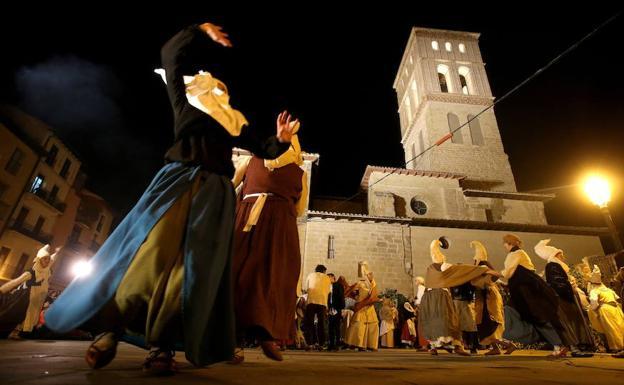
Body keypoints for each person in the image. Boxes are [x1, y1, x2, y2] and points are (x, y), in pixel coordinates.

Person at [45, 22, 295, 375]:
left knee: (193, 271)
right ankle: (109, 332)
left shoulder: (234, 123)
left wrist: (280, 140)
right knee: (150, 255)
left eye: (222, 89)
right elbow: (170, 56)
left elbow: (263, 147)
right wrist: (199, 29)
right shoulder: (186, 107)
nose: (218, 91)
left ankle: (162, 348)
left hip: (215, 195)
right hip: (179, 180)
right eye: (213, 87)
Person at [230, 121, 307, 363]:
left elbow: (300, 208)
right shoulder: (250, 160)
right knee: (239, 275)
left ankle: (267, 335)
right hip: (249, 219)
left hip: (279, 226)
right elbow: (230, 185)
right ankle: (233, 341)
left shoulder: (299, 174)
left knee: (275, 278)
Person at [420, 237, 490, 356]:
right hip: (439, 297)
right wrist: (480, 269)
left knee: (439, 321)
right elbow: (460, 270)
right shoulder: (443, 266)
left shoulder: (430, 268)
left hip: (430, 298)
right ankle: (453, 346)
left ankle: (442, 346)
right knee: (447, 321)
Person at [500, 234, 567, 358]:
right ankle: (514, 340)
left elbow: (508, 272)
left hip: (526, 293)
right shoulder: (518, 254)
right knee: (511, 312)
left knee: (537, 317)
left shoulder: (517, 254)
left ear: (509, 243)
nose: (504, 245)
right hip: (520, 292)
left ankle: (558, 345)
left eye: (505, 243)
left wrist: (491, 272)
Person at [534, 239, 594, 356]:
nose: (563, 256)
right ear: (555, 255)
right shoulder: (552, 265)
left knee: (575, 321)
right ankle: (575, 347)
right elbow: (557, 283)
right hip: (563, 298)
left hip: (567, 296)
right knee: (569, 322)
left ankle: (581, 345)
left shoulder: (557, 266)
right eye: (560, 254)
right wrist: (569, 288)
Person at [0, 245, 59, 339]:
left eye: (48, 259)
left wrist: (57, 252)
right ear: (39, 260)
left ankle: (15, 332)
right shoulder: (30, 272)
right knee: (15, 314)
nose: (47, 261)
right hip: (24, 297)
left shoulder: (46, 270)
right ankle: (8, 331)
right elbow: (15, 282)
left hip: (36, 298)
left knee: (26, 316)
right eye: (45, 259)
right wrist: (2, 290)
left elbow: (52, 259)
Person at [470, 241, 516, 355]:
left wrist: (485, 282)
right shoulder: (480, 268)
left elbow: (496, 276)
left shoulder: (483, 266)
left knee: (488, 324)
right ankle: (496, 348)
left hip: (488, 298)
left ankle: (509, 345)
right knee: (485, 324)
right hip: (484, 297)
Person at [586, 266, 624, 353]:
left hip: (606, 310)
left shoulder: (594, 291)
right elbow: (617, 298)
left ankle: (618, 347)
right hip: (616, 309)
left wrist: (592, 309)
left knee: (611, 329)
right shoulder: (607, 289)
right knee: (621, 327)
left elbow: (594, 303)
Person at [344, 264, 380, 351]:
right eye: (369, 274)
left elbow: (374, 296)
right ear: (366, 275)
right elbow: (351, 291)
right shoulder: (360, 283)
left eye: (371, 274)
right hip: (361, 307)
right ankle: (358, 344)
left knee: (373, 326)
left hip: (369, 307)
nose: (371, 276)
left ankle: (371, 345)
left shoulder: (374, 284)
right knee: (359, 326)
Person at [303, 265, 332, 350]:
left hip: (311, 301)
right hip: (322, 302)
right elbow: (329, 292)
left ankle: (310, 343)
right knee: (321, 323)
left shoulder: (310, 275)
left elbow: (306, 289)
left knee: (309, 323)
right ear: (324, 271)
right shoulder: (327, 278)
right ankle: (321, 344)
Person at [327, 273, 345, 351]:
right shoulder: (327, 286)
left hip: (337, 308)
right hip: (330, 308)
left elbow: (341, 297)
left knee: (337, 327)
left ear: (333, 277)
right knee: (330, 327)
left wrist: (340, 308)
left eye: (329, 278)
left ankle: (337, 344)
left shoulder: (338, 285)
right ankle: (331, 344)